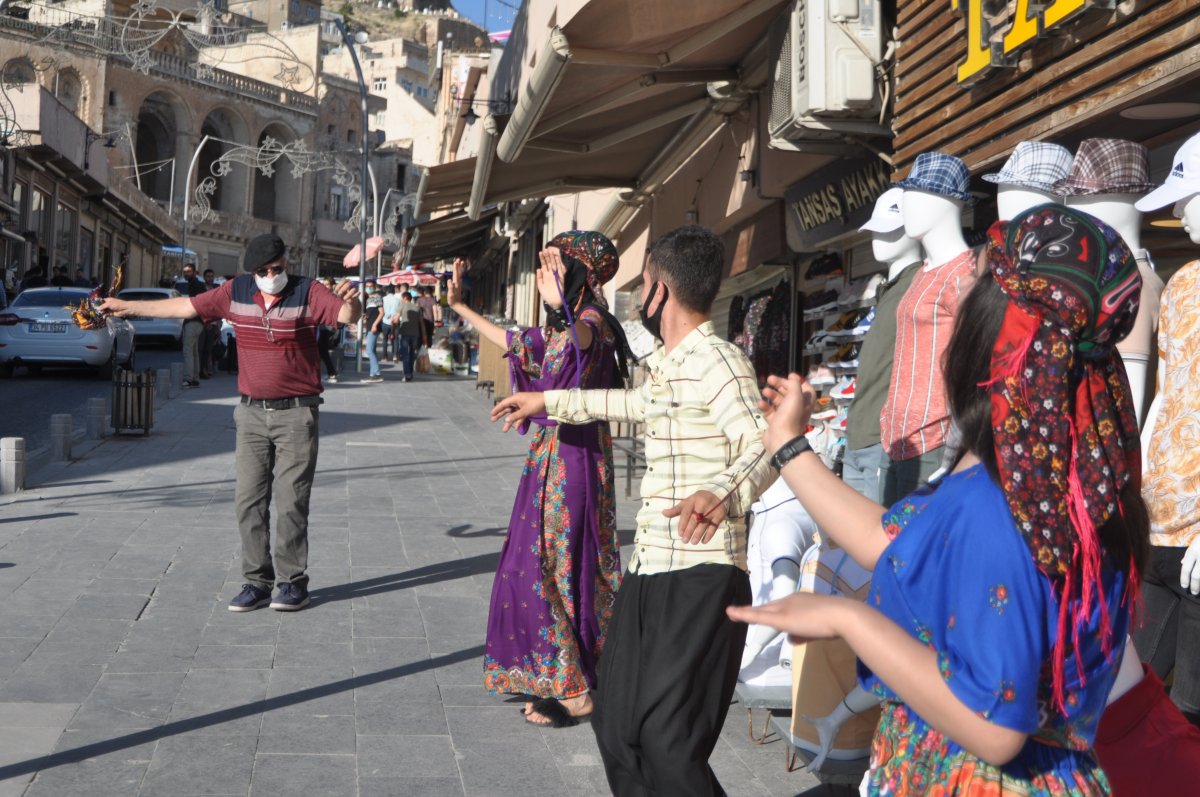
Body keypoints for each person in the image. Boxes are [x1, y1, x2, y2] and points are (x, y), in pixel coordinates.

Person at [729, 205, 1148, 794]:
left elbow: (992, 726)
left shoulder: (997, 506)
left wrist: (848, 617)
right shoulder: (1071, 483)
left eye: (972, 280)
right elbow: (892, 540)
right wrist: (791, 449)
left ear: (998, 328)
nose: (954, 299)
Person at [491, 225, 774, 794]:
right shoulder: (672, 362)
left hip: (702, 573)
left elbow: (765, 446)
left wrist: (720, 493)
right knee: (617, 728)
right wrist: (547, 400)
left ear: (658, 289)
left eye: (642, 284)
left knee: (668, 744)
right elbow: (632, 403)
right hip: (648, 568)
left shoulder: (721, 361)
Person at [100, 234, 362, 612]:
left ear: (286, 264)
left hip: (296, 413)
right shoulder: (234, 292)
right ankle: (256, 582)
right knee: (248, 501)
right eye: (264, 271)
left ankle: (292, 583)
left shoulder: (309, 290)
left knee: (291, 502)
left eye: (278, 268)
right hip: (251, 414)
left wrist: (352, 307)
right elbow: (185, 307)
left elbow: (345, 315)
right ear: (251, 272)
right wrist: (127, 307)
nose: (272, 276)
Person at [448, 231, 634, 731]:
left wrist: (560, 309)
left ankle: (573, 691)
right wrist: (461, 306)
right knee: (543, 562)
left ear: (577, 273)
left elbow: (580, 342)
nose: (543, 274)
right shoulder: (561, 325)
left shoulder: (592, 323)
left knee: (551, 565)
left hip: (576, 461)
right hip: (550, 458)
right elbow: (511, 340)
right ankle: (564, 674)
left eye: (554, 265)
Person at [179, 263, 207, 388]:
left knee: (188, 351)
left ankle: (188, 379)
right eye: (185, 271)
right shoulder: (194, 284)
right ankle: (195, 378)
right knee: (194, 351)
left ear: (195, 272)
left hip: (194, 321)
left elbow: (200, 304)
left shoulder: (197, 285)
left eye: (189, 271)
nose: (186, 274)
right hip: (197, 322)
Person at [392, 289, 423, 382]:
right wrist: (424, 335)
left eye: (401, 298)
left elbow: (396, 319)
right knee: (412, 354)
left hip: (405, 333)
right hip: (415, 333)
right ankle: (411, 372)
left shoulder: (402, 305)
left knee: (405, 354)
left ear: (405, 298)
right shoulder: (417, 307)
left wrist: (393, 326)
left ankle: (407, 374)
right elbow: (421, 323)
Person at [317, 277, 342, 384]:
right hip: (321, 326)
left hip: (327, 327)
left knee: (322, 351)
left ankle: (331, 373)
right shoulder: (323, 296)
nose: (325, 286)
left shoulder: (334, 297)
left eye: (327, 284)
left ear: (332, 286)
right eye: (324, 284)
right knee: (321, 351)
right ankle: (326, 373)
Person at [362, 281, 384, 383]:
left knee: (369, 350)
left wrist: (375, 324)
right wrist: (366, 316)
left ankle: (377, 374)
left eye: (371, 286)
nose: (369, 288)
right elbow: (372, 313)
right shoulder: (368, 299)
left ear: (375, 287)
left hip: (373, 327)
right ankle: (372, 374)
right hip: (369, 326)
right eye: (367, 286)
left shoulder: (377, 297)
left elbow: (381, 312)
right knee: (372, 351)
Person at [381, 285, 401, 363]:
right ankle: (395, 356)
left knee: (385, 339)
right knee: (395, 339)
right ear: (394, 291)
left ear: (387, 291)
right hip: (395, 322)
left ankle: (384, 356)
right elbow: (399, 311)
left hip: (385, 321)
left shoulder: (383, 299)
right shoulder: (398, 300)